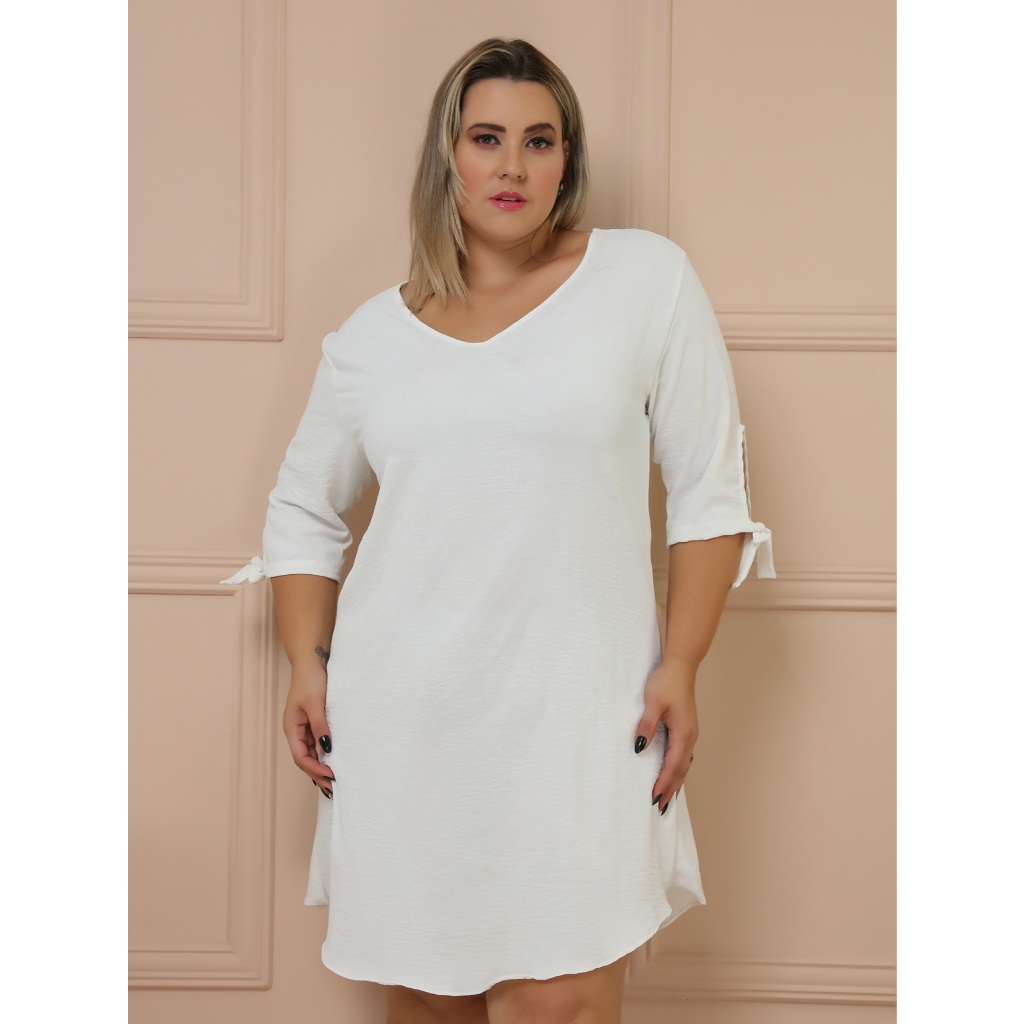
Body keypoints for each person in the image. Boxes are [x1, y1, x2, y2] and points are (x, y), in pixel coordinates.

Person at [223, 36, 774, 1024]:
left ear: (568, 160)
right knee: (431, 1001)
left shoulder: (644, 281)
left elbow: (707, 492)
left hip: (583, 711)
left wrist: (682, 665)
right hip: (407, 713)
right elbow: (302, 513)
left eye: (539, 140)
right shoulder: (372, 339)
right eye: (486, 138)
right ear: (448, 155)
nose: (512, 164)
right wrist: (309, 664)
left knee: (561, 999)